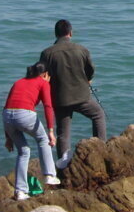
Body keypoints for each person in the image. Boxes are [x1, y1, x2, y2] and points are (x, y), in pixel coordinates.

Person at [39, 19, 107, 168]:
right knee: (98, 114)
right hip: (82, 97)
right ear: (70, 33)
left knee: (63, 133)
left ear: (56, 34)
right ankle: (101, 148)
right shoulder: (82, 50)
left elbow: (42, 76)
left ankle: (62, 166)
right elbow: (90, 70)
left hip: (60, 99)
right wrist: (88, 80)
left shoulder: (47, 53)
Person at [3, 62, 62, 199]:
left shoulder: (18, 82)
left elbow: (7, 106)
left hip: (7, 117)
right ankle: (49, 175)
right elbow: (48, 106)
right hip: (24, 115)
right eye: (49, 76)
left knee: (23, 151)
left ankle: (20, 191)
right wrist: (51, 131)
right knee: (43, 139)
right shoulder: (43, 82)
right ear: (45, 74)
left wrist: (8, 138)